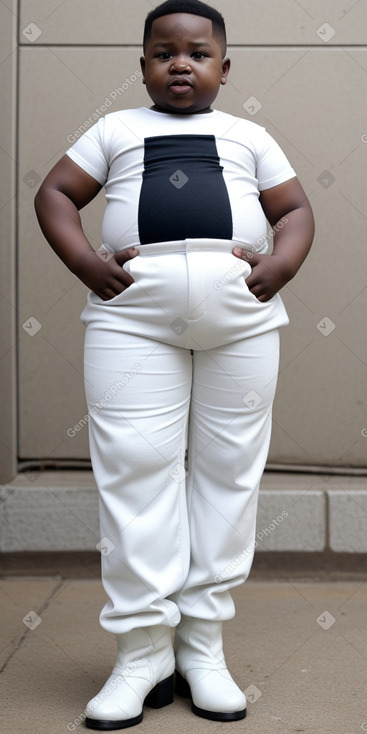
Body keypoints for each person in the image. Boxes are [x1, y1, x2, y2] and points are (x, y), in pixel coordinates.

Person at [34, 0, 314, 729]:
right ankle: (141, 653)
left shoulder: (248, 135)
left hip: (240, 319)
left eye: (196, 52)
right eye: (163, 53)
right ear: (143, 67)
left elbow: (294, 210)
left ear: (225, 66)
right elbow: (55, 194)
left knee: (227, 474)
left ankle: (202, 647)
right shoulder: (114, 129)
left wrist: (281, 264)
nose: (179, 64)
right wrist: (82, 260)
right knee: (136, 470)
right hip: (133, 320)